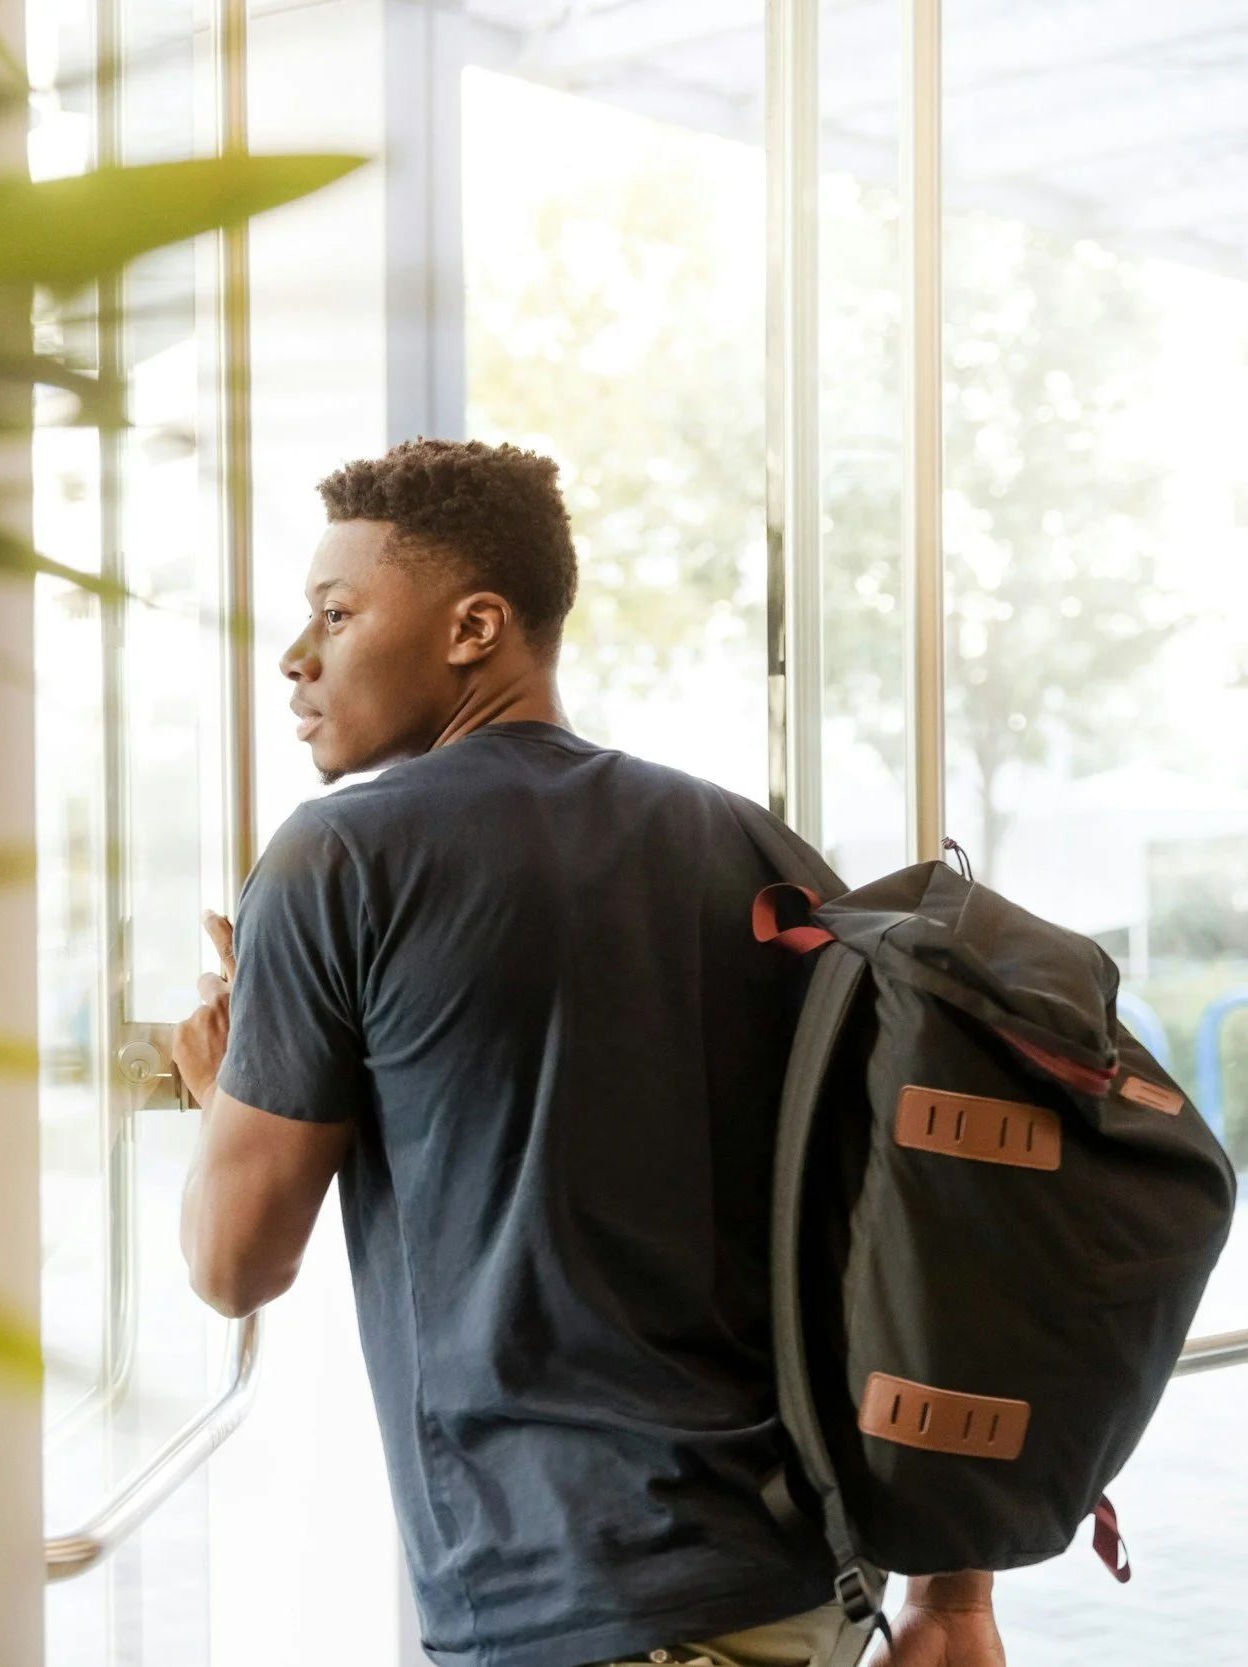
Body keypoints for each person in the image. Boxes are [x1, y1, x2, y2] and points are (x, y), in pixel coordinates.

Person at [167, 439, 1007, 1667]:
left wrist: (219, 1093)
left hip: (578, 1603)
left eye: (336, 613)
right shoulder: (752, 848)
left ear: (475, 626)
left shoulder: (337, 861)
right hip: (808, 1582)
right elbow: (918, 1208)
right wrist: (955, 1596)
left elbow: (231, 1264)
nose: (297, 656)